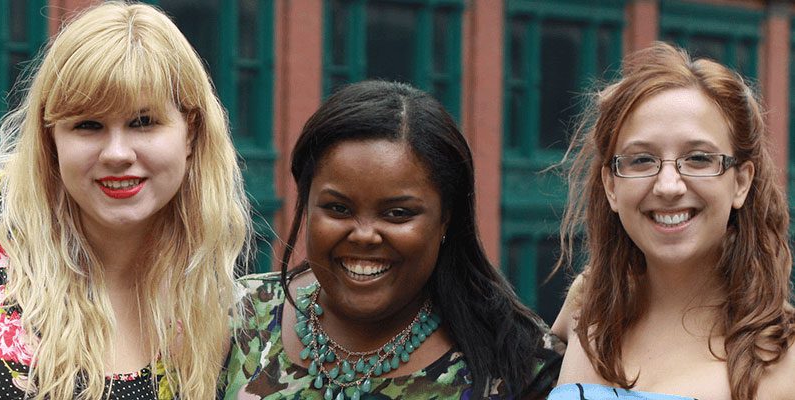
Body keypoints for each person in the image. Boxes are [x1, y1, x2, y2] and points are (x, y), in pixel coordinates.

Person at [0, 2, 252, 399]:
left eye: (143, 122)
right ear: (51, 137)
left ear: (191, 133)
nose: (116, 153)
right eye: (88, 125)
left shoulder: (208, 312)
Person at [220, 80, 561, 400]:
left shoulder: (519, 362)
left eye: (398, 214)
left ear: (446, 218)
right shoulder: (237, 318)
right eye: (338, 208)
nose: (365, 234)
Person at [549, 42, 795, 400]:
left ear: (741, 182)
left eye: (697, 158)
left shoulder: (785, 360)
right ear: (611, 185)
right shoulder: (587, 303)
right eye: (642, 160)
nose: (668, 186)